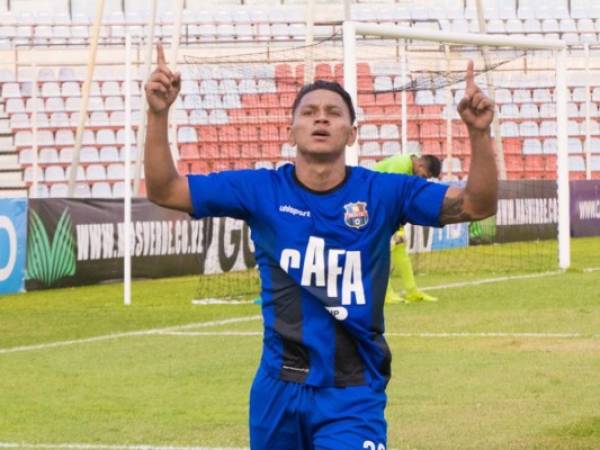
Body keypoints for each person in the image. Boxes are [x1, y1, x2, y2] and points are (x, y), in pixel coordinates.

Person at [144, 43, 497, 450]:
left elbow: (477, 204)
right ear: (290, 130)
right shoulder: (260, 190)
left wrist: (479, 132)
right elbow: (165, 189)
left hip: (352, 391)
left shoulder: (383, 191)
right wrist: (158, 114)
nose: (321, 120)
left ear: (352, 133)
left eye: (333, 113)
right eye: (309, 113)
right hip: (278, 388)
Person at [374, 153, 442, 304]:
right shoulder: (400, 165)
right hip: (372, 205)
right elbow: (388, 196)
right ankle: (385, 295)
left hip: (383, 206)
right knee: (382, 250)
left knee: (399, 248)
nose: (423, 179)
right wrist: (396, 230)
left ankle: (411, 291)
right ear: (420, 166)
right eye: (424, 176)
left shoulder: (410, 170)